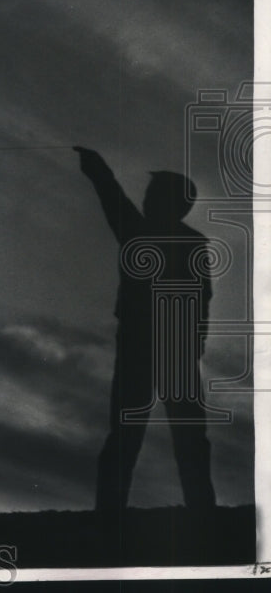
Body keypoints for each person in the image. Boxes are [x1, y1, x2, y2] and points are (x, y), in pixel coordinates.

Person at [74, 146, 216, 513]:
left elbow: (202, 298)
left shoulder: (155, 236)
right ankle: (194, 510)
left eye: (154, 195)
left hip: (158, 348)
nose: (147, 199)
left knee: (154, 435)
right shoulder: (183, 241)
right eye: (149, 195)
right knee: (154, 436)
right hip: (161, 348)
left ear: (175, 203)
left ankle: (115, 513)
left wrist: (99, 172)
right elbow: (204, 300)